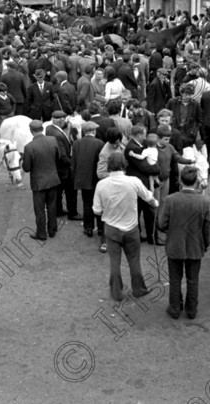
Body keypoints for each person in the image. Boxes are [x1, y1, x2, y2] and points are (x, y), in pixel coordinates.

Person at [93, 152, 159, 301]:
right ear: (124, 164)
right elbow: (148, 197)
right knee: (134, 260)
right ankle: (139, 289)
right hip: (131, 228)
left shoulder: (101, 184)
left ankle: (116, 293)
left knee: (114, 262)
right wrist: (156, 203)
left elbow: (96, 210)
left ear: (109, 165)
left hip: (111, 229)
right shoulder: (133, 181)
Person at [157, 166, 210, 319]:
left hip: (175, 245)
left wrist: (171, 232)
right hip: (195, 246)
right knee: (193, 280)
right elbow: (207, 227)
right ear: (196, 182)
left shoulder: (170, 200)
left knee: (174, 279)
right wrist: (205, 244)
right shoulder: (204, 202)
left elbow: (161, 224)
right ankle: (191, 310)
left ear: (180, 180)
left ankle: (175, 308)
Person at [22, 120, 61, 240]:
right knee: (52, 206)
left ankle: (41, 233)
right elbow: (58, 157)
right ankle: (52, 230)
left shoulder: (29, 147)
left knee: (39, 210)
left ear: (31, 131)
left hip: (38, 183)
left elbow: (27, 168)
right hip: (53, 179)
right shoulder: (53, 140)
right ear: (42, 129)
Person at [124, 125, 162, 244]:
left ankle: (142, 235)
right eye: (144, 134)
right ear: (139, 135)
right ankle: (150, 237)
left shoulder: (136, 146)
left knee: (140, 210)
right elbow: (144, 167)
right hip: (140, 184)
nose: (145, 137)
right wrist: (157, 169)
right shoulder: (133, 148)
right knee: (147, 211)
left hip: (139, 183)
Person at [72, 121, 105, 251]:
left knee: (87, 203)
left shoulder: (76, 144)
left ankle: (88, 228)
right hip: (96, 179)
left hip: (83, 179)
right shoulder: (100, 143)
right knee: (99, 204)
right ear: (94, 131)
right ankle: (101, 228)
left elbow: (73, 163)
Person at [46, 110, 78, 219]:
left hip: (55, 168)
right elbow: (63, 155)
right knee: (71, 192)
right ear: (60, 121)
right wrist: (72, 164)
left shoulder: (50, 128)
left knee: (58, 191)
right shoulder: (58, 135)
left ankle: (58, 210)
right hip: (64, 169)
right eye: (64, 119)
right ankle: (72, 213)